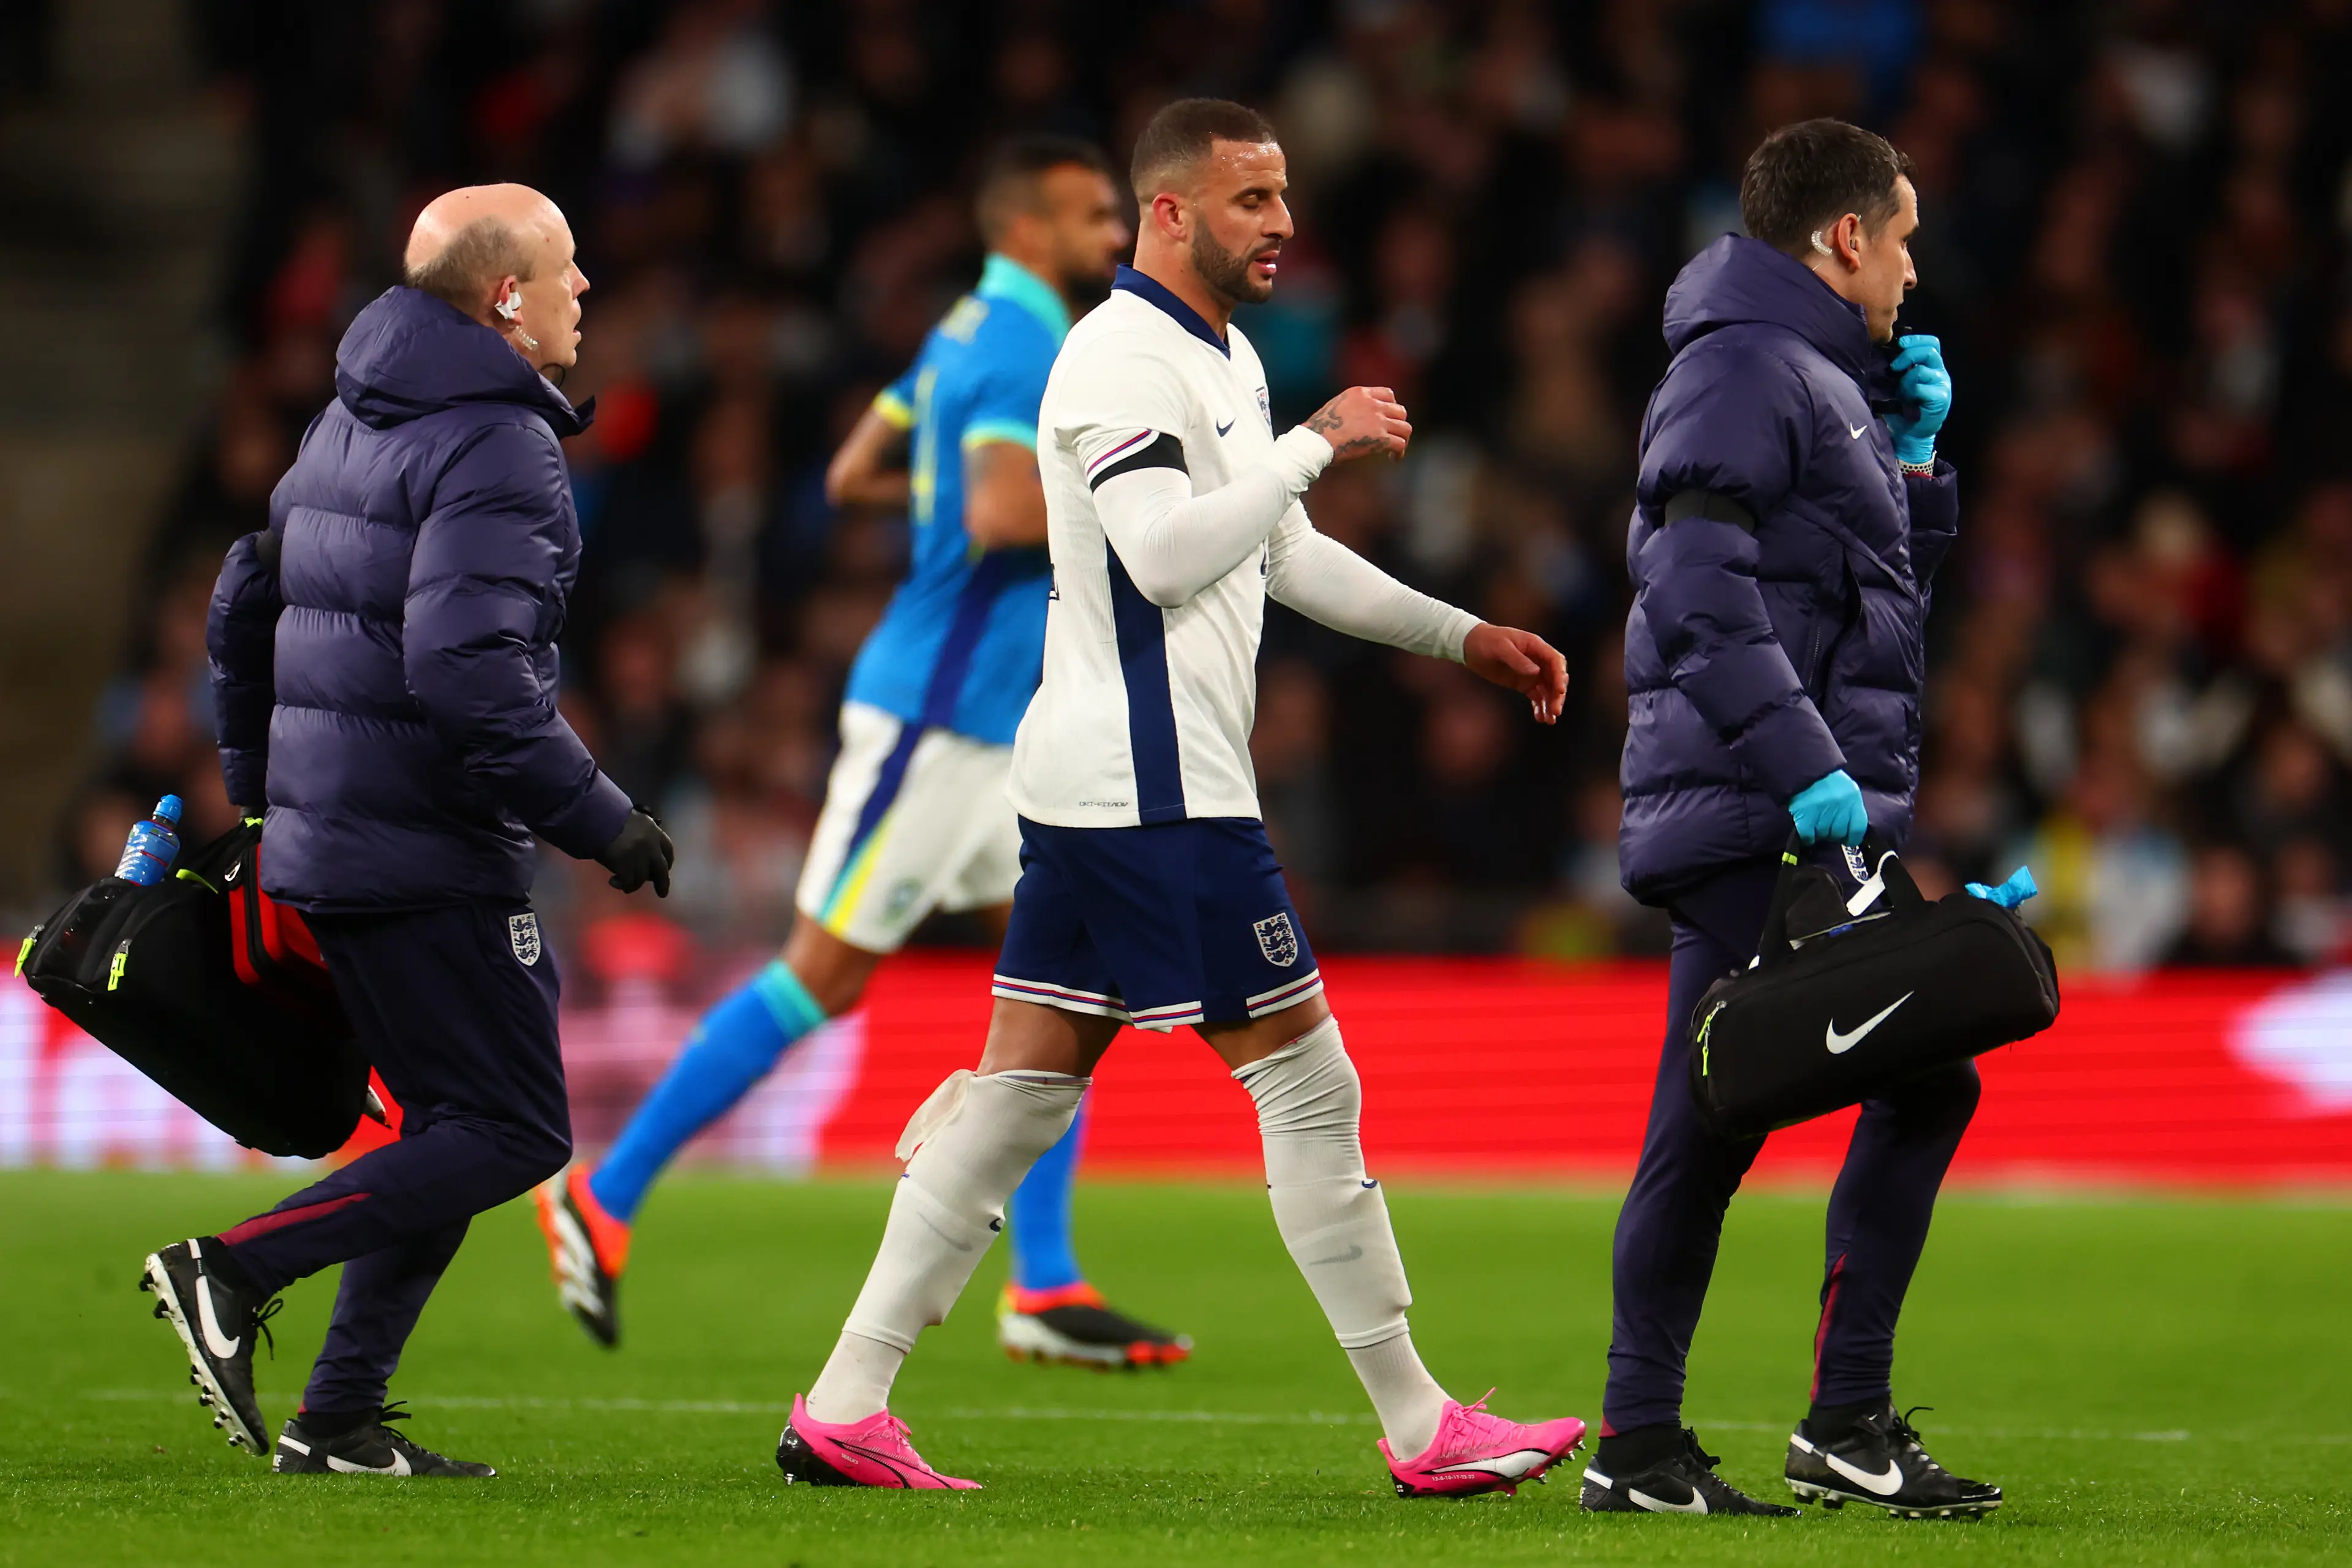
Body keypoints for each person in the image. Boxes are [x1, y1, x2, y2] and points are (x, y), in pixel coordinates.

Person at [772, 97, 1581, 1496]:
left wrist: (1460, 635)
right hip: (1155, 793)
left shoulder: (1221, 359)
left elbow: (1276, 553)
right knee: (1310, 1083)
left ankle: (844, 1401)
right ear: (1169, 212)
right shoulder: (1115, 360)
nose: (1282, 223)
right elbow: (1160, 555)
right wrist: (1315, 442)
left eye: (1282, 196)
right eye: (1253, 199)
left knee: (1021, 1097)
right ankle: (1418, 1419)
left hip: (1111, 783)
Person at [532, 137, 1189, 1368]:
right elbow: (997, 510)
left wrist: (945, 495)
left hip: (1002, 727)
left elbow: (853, 472)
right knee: (821, 977)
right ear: (1027, 227)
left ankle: (1043, 1282)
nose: (1117, 234)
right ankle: (600, 1192)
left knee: (1079, 962)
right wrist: (1151, 509)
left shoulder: (954, 336)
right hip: (936, 726)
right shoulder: (1019, 342)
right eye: (1095, 214)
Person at [142, 184, 673, 1478]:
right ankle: (231, 1267)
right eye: (564, 267)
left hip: (340, 836)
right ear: (505, 297)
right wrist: (606, 820)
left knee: (451, 1121)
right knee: (513, 1130)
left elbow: (243, 599)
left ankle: (339, 1413)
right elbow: (466, 674)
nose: (584, 289)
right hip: (425, 846)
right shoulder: (500, 441)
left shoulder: (350, 415)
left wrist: (265, 790)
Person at [1583, 119, 1999, 1518]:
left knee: (1899, 1080)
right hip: (1773, 809)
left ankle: (1801, 1424)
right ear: (1842, 238)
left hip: (1809, 803)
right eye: (1902, 235)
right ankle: (1663, 1437)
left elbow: (1861, 600)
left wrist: (1917, 468)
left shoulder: (1801, 375)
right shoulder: (1741, 368)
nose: (1910, 266)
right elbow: (1695, 590)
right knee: (1717, 1121)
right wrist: (1810, 774)